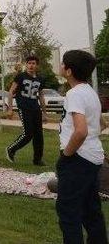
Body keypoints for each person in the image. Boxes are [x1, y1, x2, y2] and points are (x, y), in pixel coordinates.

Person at [56, 50, 107, 243]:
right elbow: (101, 124)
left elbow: (81, 131)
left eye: (63, 64)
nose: (61, 66)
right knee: (91, 210)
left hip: (77, 159)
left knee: (68, 212)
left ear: (68, 71)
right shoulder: (90, 92)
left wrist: (67, 155)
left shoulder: (74, 94)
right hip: (93, 158)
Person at [5, 55, 47, 166]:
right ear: (26, 64)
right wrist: (10, 108)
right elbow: (10, 92)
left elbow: (41, 96)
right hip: (24, 108)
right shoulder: (21, 76)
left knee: (39, 135)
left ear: (37, 65)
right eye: (29, 63)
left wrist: (44, 113)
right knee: (28, 133)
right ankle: (11, 149)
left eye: (33, 63)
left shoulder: (40, 79)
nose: (31, 65)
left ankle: (37, 159)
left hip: (35, 108)